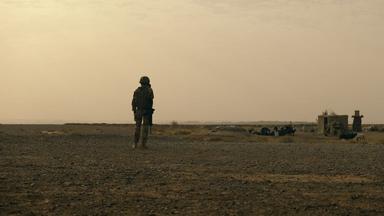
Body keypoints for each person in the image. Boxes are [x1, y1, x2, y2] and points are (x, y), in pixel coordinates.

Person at [131, 76, 154, 149]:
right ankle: (143, 144)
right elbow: (151, 100)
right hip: (146, 111)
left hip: (139, 110)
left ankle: (135, 143)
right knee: (145, 128)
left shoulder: (137, 91)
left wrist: (134, 111)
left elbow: (133, 102)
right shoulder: (149, 90)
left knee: (137, 127)